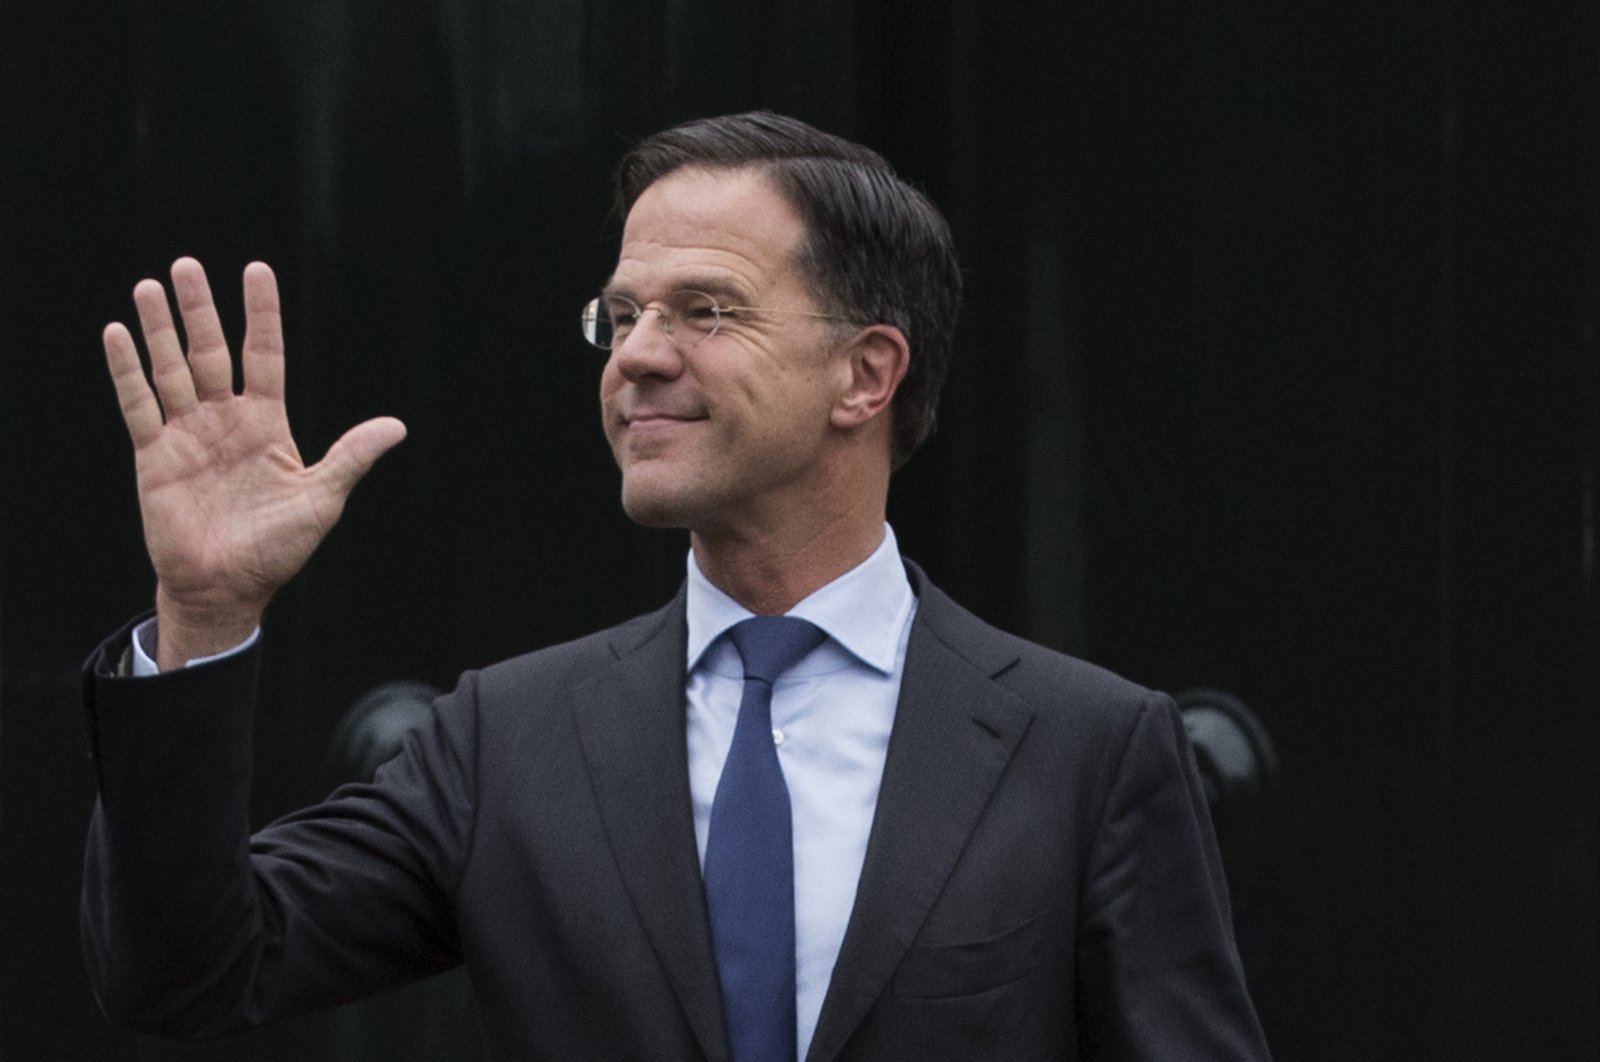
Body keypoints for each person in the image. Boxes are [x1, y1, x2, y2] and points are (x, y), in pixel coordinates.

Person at [82, 111, 1270, 1061]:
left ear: (864, 373)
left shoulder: (1088, 750)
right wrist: (204, 617)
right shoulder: (508, 742)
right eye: (622, 314)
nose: (639, 353)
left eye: (705, 310)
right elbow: (188, 972)